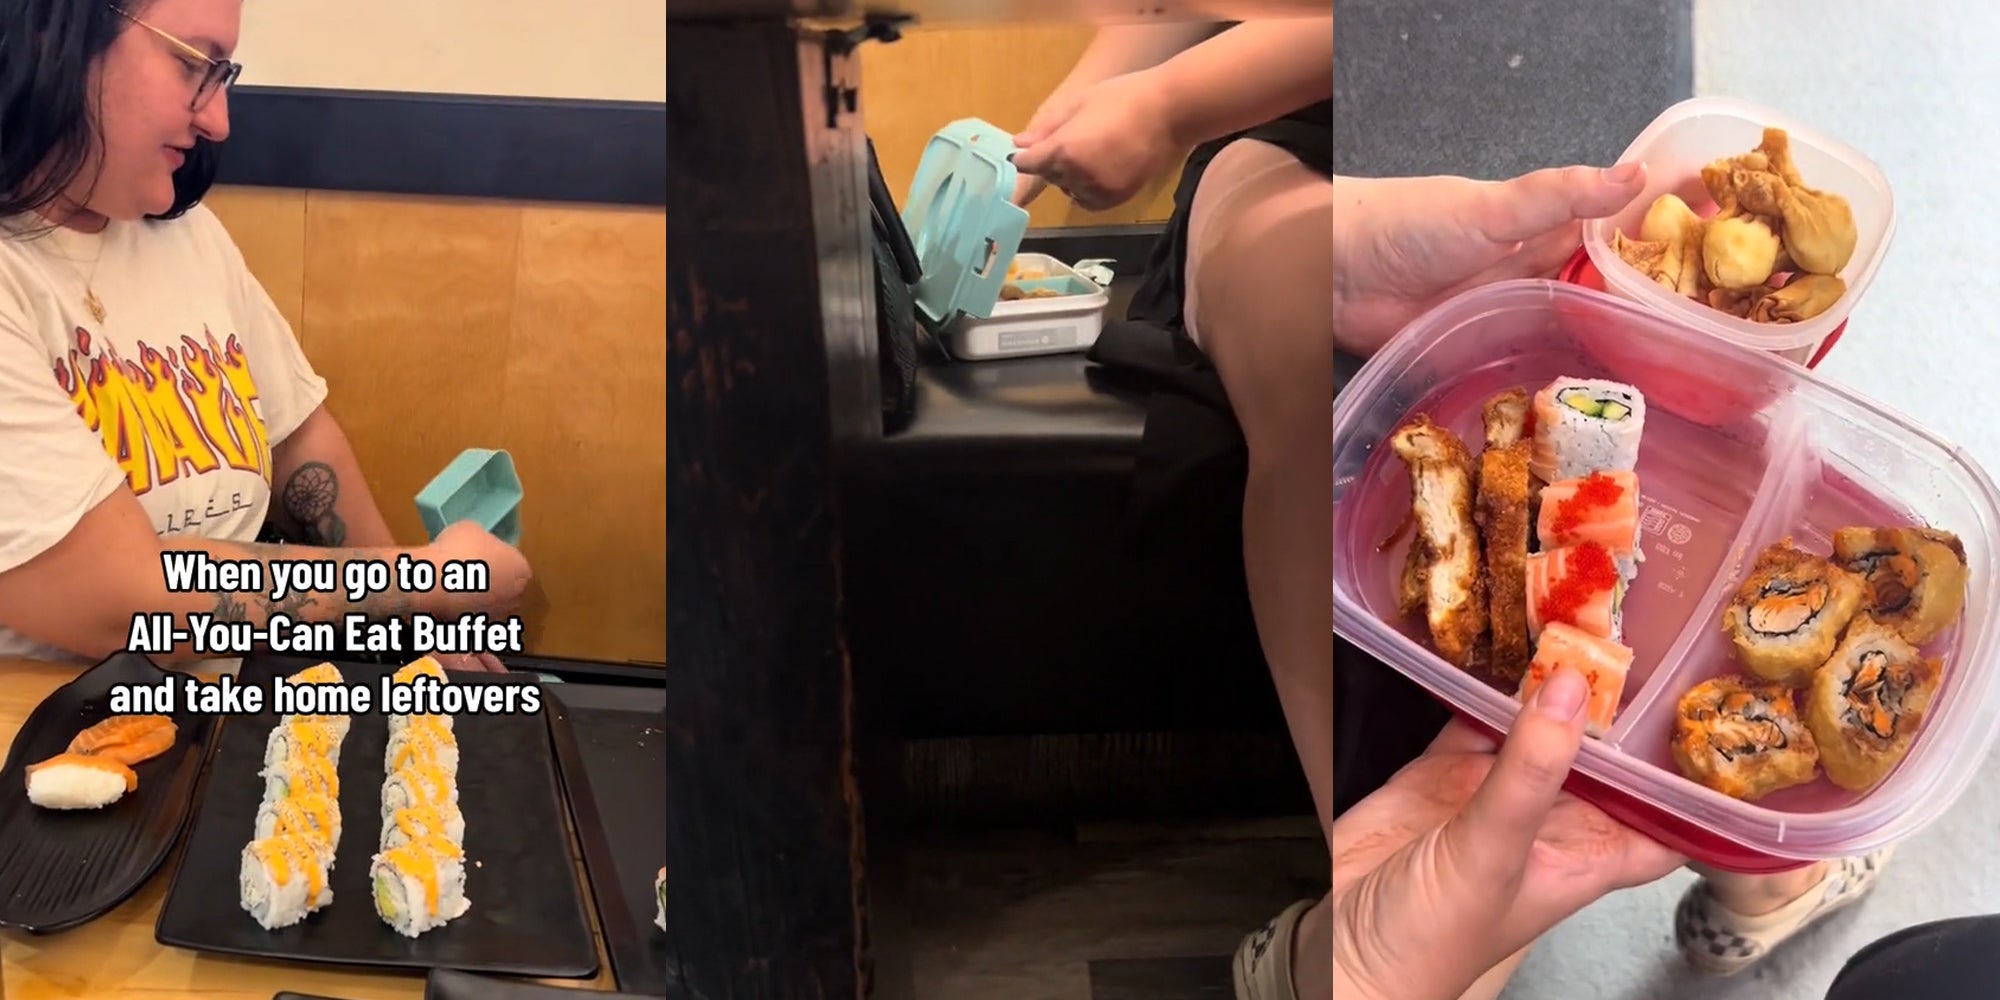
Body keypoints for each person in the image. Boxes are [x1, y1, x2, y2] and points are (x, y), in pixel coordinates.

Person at [1010, 18, 1892, 998]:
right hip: (1278, 147)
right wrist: (1067, 126)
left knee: (1671, 503)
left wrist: (1169, 99)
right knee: (1312, 403)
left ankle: (1754, 865)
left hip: (1357, 100)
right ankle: (1371, 933)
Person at [0, 0, 527, 672]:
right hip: (58, 752)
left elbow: (298, 440)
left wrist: (419, 630)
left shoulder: (182, 232)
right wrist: (428, 582)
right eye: (194, 64)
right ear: (53, 33)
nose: (217, 120)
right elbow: (128, 599)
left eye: (223, 76)